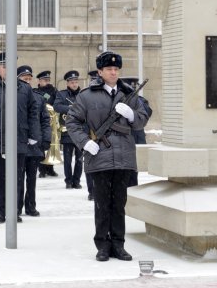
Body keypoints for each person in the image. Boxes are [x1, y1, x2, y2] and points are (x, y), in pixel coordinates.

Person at [66, 51, 150, 262]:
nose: (113, 72)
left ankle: (119, 245)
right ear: (100, 72)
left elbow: (141, 120)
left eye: (116, 69)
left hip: (124, 156)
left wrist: (132, 115)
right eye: (109, 69)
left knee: (119, 203)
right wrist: (85, 142)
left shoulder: (129, 94)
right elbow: (72, 122)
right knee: (102, 203)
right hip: (99, 156)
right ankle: (103, 245)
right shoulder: (86, 95)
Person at [0, 52, 41, 224]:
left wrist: (34, 134)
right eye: (4, 66)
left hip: (19, 138)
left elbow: (33, 112)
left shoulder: (24, 89)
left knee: (17, 177)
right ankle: (0, 211)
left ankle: (14, 210)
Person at [18, 65, 51, 217]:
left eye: (29, 79)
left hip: (35, 145)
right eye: (25, 79)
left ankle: (30, 206)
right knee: (17, 179)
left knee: (31, 179)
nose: (28, 82)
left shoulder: (38, 97)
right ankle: (16, 207)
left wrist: (46, 140)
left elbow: (45, 121)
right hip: (19, 145)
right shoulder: (13, 96)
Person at [53, 70, 84, 190]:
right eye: (72, 82)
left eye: (76, 82)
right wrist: (70, 108)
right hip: (67, 131)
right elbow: (57, 106)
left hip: (81, 131)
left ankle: (77, 181)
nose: (74, 84)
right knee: (67, 159)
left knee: (79, 159)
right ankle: (68, 181)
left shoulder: (83, 94)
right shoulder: (62, 94)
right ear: (67, 83)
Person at [121, 77, 153, 187]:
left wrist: (135, 100)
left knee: (134, 171)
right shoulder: (119, 101)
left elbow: (147, 112)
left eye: (134, 87)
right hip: (123, 140)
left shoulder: (140, 100)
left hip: (136, 139)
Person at [34, 70, 58, 178]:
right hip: (40, 120)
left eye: (48, 80)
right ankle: (42, 168)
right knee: (40, 144)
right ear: (39, 81)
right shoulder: (35, 91)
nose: (47, 82)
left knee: (52, 144)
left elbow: (56, 103)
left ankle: (50, 168)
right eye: (45, 80)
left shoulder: (54, 91)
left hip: (52, 120)